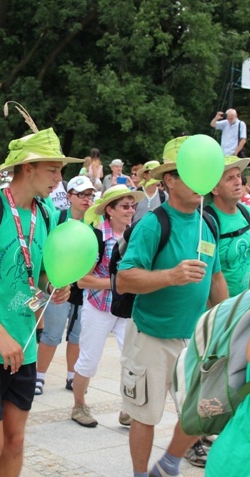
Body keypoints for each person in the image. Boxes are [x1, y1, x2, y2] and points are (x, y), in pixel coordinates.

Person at [0, 127, 78, 477]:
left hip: (24, 345)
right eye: (53, 169)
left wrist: (54, 287)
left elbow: (36, 276)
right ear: (28, 168)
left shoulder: (48, 213)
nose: (58, 178)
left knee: (15, 442)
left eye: (61, 170)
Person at [116, 136, 229, 477]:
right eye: (192, 174)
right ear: (170, 180)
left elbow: (217, 279)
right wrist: (171, 276)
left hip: (195, 339)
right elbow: (125, 279)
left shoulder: (208, 223)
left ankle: (167, 464)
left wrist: (229, 324)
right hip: (151, 334)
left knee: (203, 411)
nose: (202, 183)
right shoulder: (153, 223)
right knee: (144, 415)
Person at [71, 185, 144, 428]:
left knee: (133, 360)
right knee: (89, 359)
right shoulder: (96, 237)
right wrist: (118, 284)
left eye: (133, 205)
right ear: (109, 210)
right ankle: (79, 405)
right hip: (97, 306)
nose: (131, 210)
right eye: (125, 206)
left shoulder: (136, 235)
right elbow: (83, 280)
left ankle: (128, 409)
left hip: (126, 309)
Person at [35, 175, 95, 396]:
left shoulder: (93, 223)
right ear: (69, 196)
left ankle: (72, 375)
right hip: (57, 284)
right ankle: (39, 376)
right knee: (52, 333)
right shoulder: (56, 217)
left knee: (77, 334)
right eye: (81, 195)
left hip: (83, 287)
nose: (86, 199)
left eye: (90, 195)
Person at [206, 155, 250, 297]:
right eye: (229, 178)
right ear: (214, 189)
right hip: (223, 311)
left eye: (238, 176)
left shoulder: (246, 212)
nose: (238, 182)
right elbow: (205, 275)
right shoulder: (207, 221)